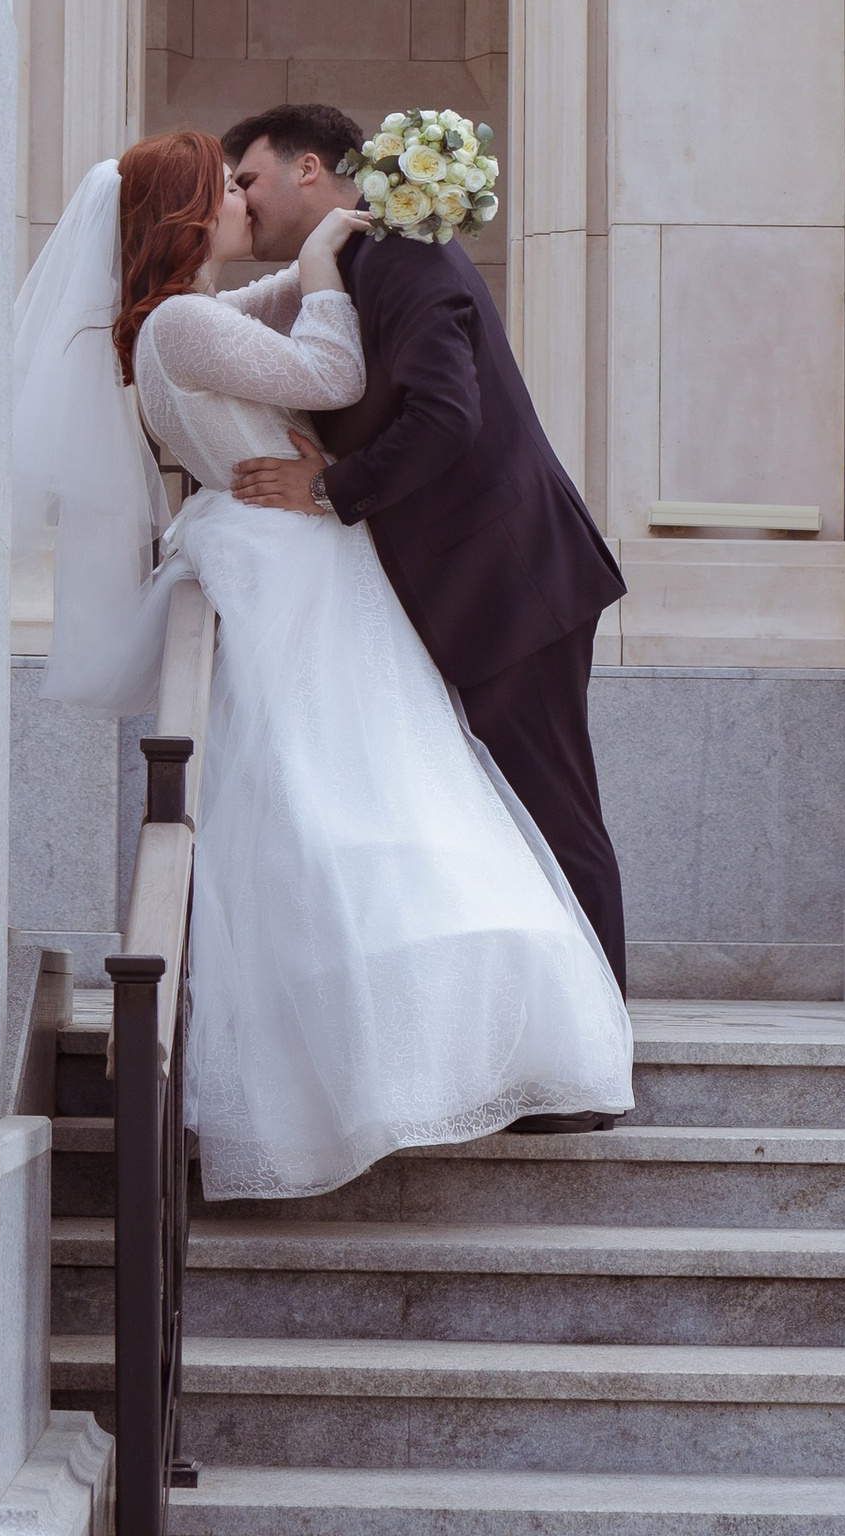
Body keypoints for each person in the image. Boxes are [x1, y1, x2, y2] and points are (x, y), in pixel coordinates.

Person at [10, 131, 632, 1198]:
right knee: (361, 794)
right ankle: (477, 1044)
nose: (245, 200)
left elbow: (261, 327)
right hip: (293, 566)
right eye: (226, 188)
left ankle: (451, 1042)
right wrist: (315, 274)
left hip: (299, 565)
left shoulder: (180, 322)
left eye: (251, 178)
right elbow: (332, 369)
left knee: (362, 793)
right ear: (191, 216)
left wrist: (311, 270)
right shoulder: (183, 324)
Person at [221, 102, 633, 996]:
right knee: (510, 821)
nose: (240, 201)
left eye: (247, 178)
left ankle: (601, 1063)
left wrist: (328, 489)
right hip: (465, 592)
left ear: (310, 170)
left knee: (552, 817)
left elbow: (448, 415)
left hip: (514, 585)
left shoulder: (403, 255)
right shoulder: (340, 271)